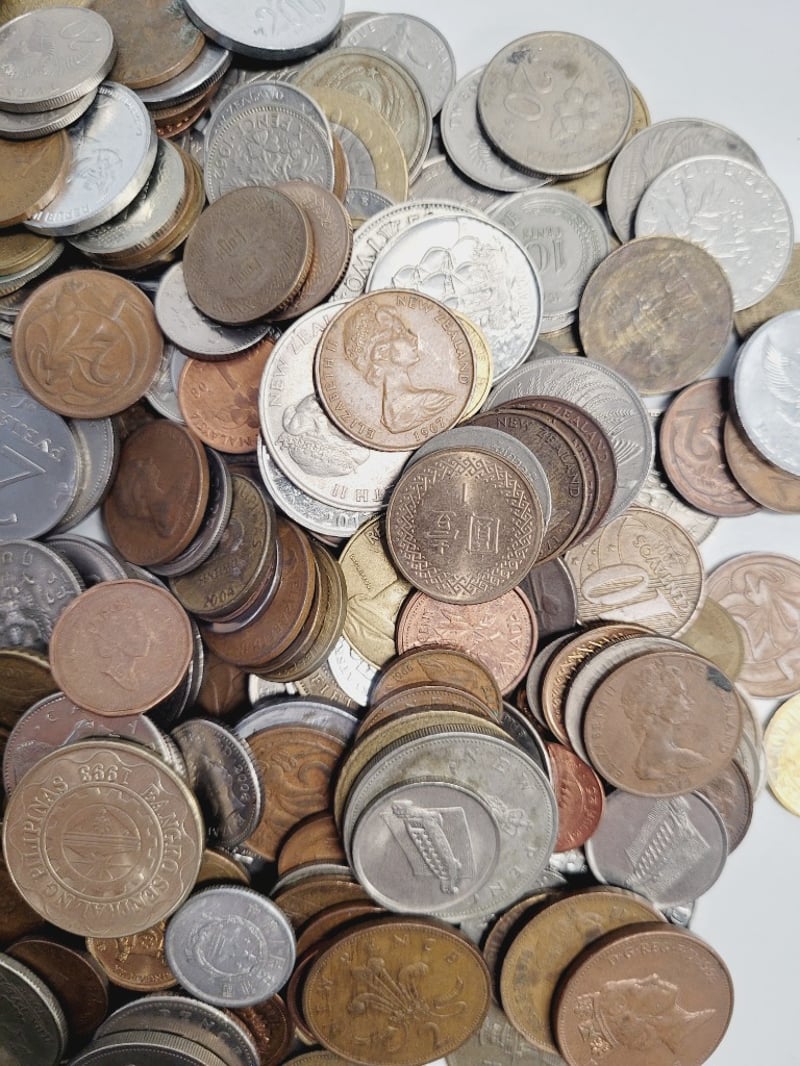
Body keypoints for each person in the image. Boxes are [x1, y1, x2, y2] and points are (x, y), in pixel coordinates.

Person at [343, 303, 455, 435]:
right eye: (400, 333)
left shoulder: (432, 400)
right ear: (382, 352)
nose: (414, 338)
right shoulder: (433, 401)